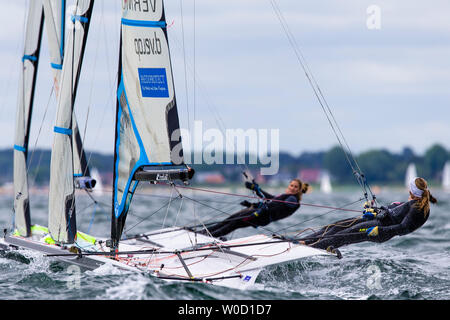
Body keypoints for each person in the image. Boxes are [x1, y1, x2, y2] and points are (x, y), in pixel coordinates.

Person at [300, 177, 437, 251]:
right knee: (337, 226)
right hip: (377, 222)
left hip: (379, 230)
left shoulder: (418, 209)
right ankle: (303, 241)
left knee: (344, 234)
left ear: (412, 191)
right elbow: (391, 212)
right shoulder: (412, 203)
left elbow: (403, 228)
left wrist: (379, 230)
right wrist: (373, 211)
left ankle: (310, 248)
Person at [199, 179, 309, 238]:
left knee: (234, 223)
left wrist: (259, 200)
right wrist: (254, 193)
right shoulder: (285, 196)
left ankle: (208, 236)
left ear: (299, 190)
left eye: (296, 187)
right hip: (258, 213)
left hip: (261, 217)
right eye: (292, 185)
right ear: (288, 186)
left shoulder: (293, 200)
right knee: (230, 219)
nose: (293, 188)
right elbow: (271, 200)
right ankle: (204, 233)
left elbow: (275, 207)